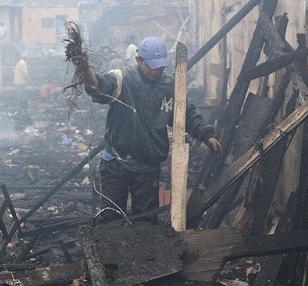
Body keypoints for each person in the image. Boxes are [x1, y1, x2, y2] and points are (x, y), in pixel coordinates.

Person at [71, 36, 221, 222]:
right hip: (117, 163)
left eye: (160, 66)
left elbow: (186, 115)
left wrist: (206, 135)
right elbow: (97, 86)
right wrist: (84, 69)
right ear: (138, 60)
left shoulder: (170, 85)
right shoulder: (122, 79)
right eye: (151, 66)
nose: (156, 70)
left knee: (146, 220)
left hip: (148, 165)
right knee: (111, 218)